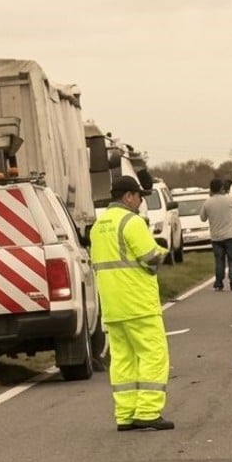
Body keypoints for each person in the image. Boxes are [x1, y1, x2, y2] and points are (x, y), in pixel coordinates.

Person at [89, 175, 174, 432]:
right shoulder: (131, 221)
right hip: (138, 303)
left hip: (113, 306)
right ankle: (148, 412)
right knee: (153, 356)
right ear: (128, 197)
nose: (140, 202)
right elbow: (150, 259)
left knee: (123, 360)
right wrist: (162, 251)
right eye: (139, 197)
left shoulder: (98, 225)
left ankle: (125, 414)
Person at [199, 177, 232, 291]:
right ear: (221, 188)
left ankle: (219, 283)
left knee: (219, 260)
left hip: (216, 237)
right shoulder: (229, 200)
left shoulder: (207, 202)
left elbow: (202, 218)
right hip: (231, 235)